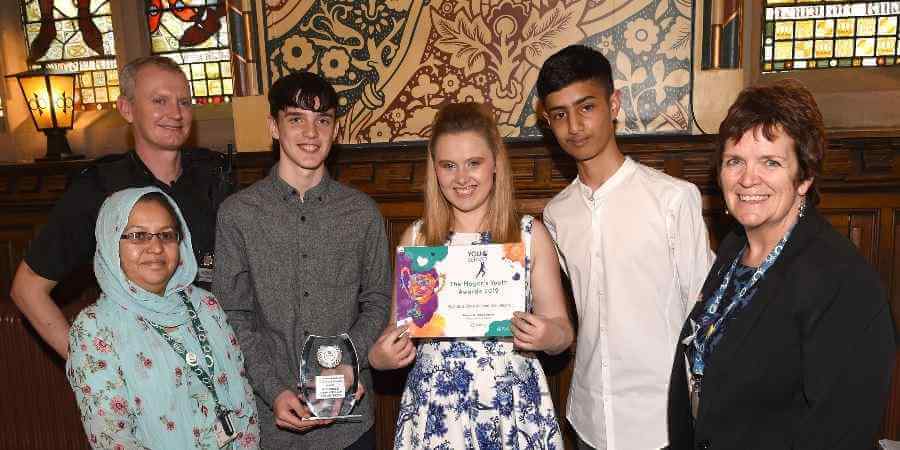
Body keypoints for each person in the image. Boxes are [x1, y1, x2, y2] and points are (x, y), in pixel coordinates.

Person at [667, 81, 895, 450]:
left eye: (770, 162)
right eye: (734, 161)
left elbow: (841, 434)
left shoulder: (843, 282)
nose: (747, 179)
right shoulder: (733, 249)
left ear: (803, 177)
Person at [536, 45, 715, 450]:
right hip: (588, 418)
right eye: (560, 114)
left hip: (662, 421)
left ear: (613, 104)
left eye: (586, 107)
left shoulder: (673, 199)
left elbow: (704, 318)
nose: (575, 126)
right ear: (547, 121)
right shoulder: (557, 214)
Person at [368, 102, 575, 449]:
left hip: (511, 405)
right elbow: (396, 331)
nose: (461, 178)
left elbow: (563, 331)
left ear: (495, 162)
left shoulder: (528, 235)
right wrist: (380, 356)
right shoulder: (418, 239)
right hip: (436, 407)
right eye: (449, 166)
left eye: (473, 163)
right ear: (435, 170)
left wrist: (547, 333)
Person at [10, 55, 232, 359]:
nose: (175, 113)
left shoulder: (215, 178)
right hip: (143, 364)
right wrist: (90, 368)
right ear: (127, 109)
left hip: (217, 358)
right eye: (159, 101)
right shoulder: (99, 188)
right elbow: (27, 289)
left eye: (183, 102)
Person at [213, 71, 391, 449]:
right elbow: (233, 315)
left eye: (322, 120)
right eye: (296, 119)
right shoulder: (238, 214)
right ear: (273, 126)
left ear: (335, 130)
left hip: (350, 423)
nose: (311, 132)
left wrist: (349, 361)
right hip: (271, 421)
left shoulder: (362, 212)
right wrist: (273, 390)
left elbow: (377, 301)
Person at [66, 187, 258, 449]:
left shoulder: (206, 305)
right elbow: (112, 438)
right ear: (111, 242)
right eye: (138, 236)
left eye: (166, 235)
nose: (155, 247)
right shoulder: (94, 329)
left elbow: (245, 401)